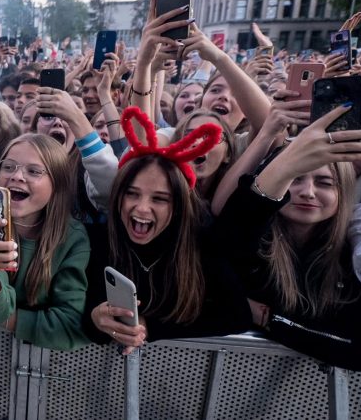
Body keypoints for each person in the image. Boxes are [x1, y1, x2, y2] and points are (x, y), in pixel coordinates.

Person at [214, 106, 361, 370]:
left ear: (343, 192)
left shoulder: (352, 256)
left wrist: (267, 319)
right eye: (295, 179)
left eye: (324, 183)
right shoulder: (253, 243)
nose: (308, 192)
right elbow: (233, 223)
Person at [84, 107, 252, 353]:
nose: (142, 208)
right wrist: (95, 318)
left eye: (159, 199)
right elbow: (83, 321)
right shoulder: (96, 241)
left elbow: (237, 316)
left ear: (179, 205)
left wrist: (152, 327)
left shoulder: (202, 243)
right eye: (132, 193)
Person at [0, 134, 90, 350]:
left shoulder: (73, 237)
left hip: (45, 369)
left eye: (33, 171)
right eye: (8, 167)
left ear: (57, 184)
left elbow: (70, 325)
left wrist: (9, 321)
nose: (17, 176)